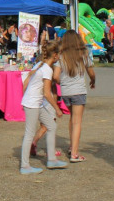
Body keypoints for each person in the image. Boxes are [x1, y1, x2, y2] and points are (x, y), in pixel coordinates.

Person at [18, 40, 68, 174]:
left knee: (51, 126)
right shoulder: (46, 70)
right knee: (29, 133)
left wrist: (25, 96)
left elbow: (27, 80)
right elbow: (47, 92)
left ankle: (52, 159)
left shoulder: (40, 64)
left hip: (34, 102)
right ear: (56, 55)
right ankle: (25, 166)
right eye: (60, 55)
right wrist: (57, 108)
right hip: (33, 103)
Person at [53, 31, 95, 162]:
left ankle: (72, 146)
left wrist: (63, 83)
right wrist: (93, 81)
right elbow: (91, 72)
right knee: (77, 121)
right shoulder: (83, 55)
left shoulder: (61, 57)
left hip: (66, 92)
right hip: (79, 91)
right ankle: (75, 153)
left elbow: (55, 76)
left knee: (72, 119)